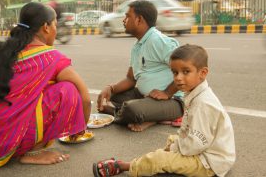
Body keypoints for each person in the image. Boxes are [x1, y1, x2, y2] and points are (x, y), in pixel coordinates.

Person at [0, 2, 91, 169]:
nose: (56, 29)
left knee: (41, 89)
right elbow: (85, 97)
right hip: (9, 141)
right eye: (55, 24)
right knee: (68, 89)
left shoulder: (5, 52)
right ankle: (33, 152)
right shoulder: (51, 57)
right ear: (46, 27)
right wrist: (80, 128)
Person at [93, 44, 236, 177]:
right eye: (175, 72)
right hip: (207, 150)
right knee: (172, 140)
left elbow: (194, 145)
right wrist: (175, 146)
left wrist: (173, 150)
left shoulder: (202, 104)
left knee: (160, 159)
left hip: (209, 163)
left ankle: (124, 166)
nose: (178, 78)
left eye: (186, 72)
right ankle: (153, 163)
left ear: (203, 73)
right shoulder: (195, 94)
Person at [97, 0, 183, 132]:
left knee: (132, 109)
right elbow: (131, 79)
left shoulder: (157, 41)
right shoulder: (137, 46)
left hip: (173, 100)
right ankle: (146, 115)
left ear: (139, 20)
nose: (124, 20)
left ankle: (122, 113)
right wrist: (111, 89)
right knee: (115, 96)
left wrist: (167, 92)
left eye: (127, 16)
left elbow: (184, 70)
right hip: (146, 97)